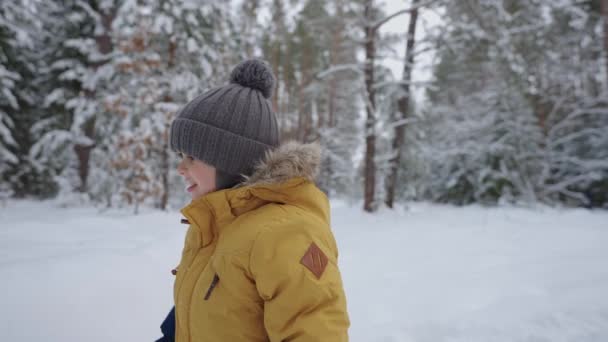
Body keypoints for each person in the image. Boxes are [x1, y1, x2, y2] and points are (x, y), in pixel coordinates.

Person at [156, 59, 350, 341]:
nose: (180, 168)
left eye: (192, 157)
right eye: (180, 156)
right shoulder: (211, 227)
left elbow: (314, 330)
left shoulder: (286, 232)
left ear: (229, 159)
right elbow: (199, 318)